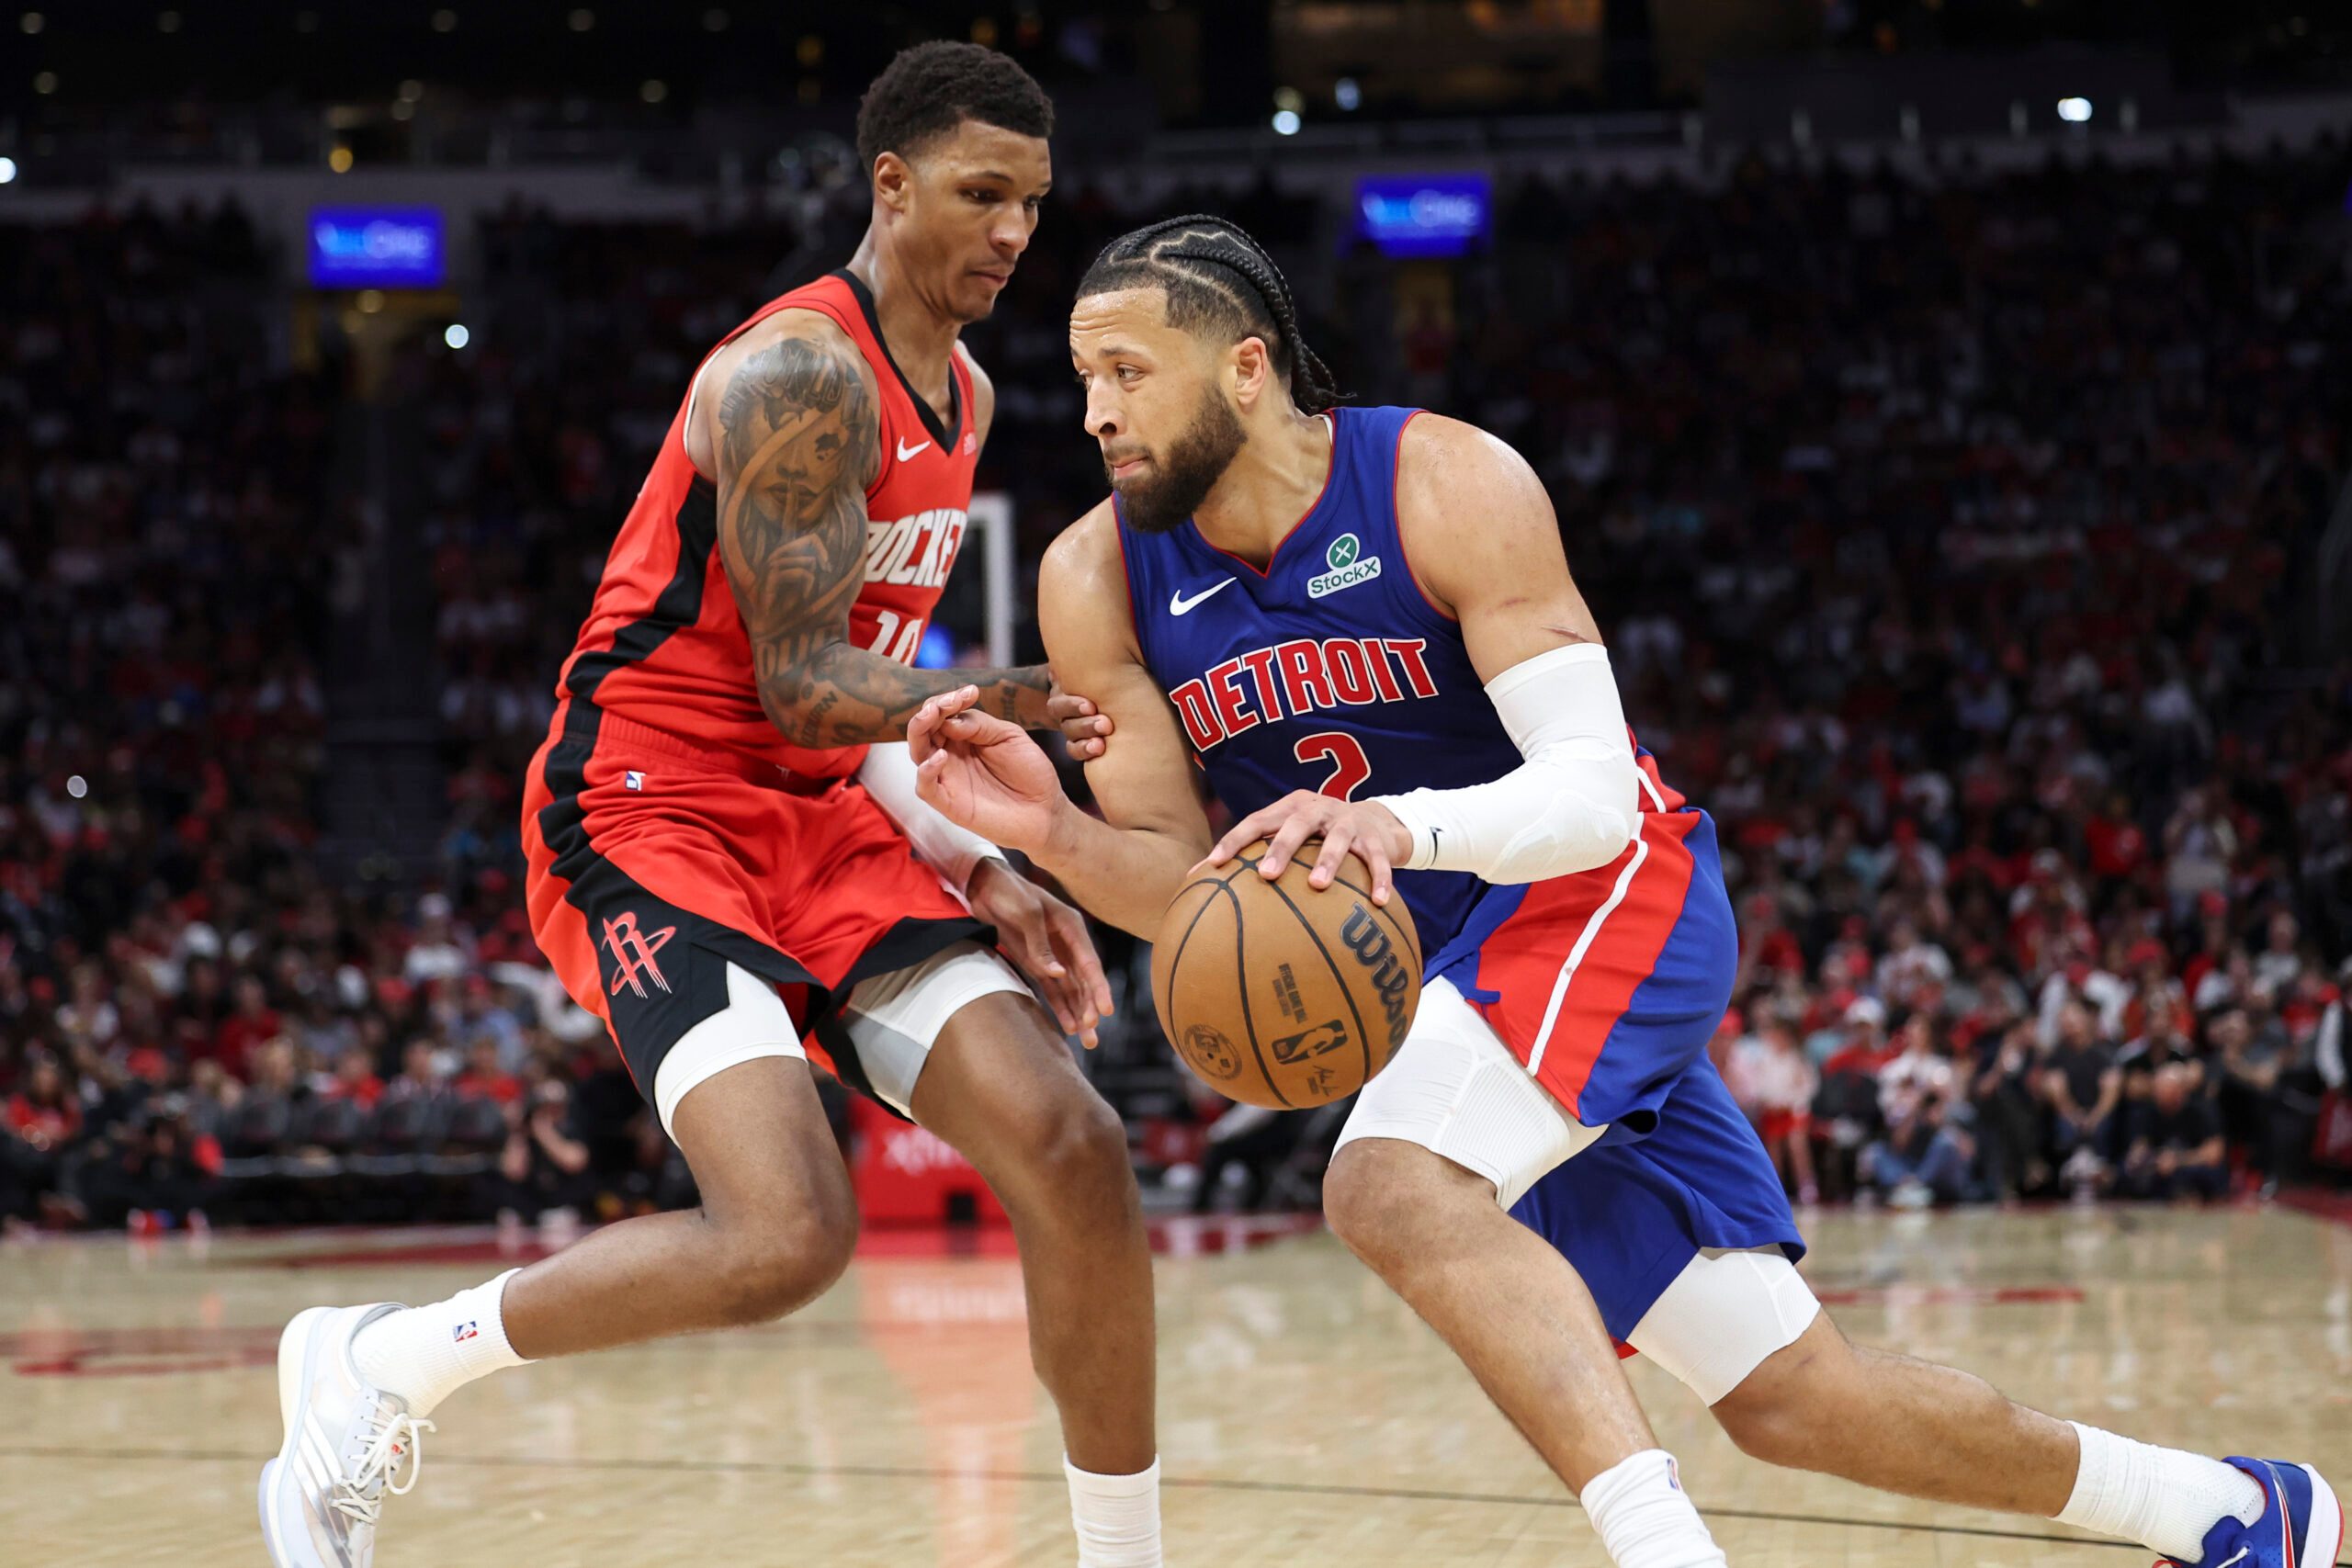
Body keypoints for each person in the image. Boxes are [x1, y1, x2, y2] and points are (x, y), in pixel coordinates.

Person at [906, 213, 2340, 1568]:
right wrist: (1050, 836)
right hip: (1446, 996)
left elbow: (1591, 793)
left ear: (1244, 366)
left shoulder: (1443, 480)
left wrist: (1390, 828)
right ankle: (2241, 1513)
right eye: (1085, 376)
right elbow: (1188, 892)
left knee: (1390, 1182)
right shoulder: (1094, 573)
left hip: (1600, 896)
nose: (1095, 410)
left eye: (1126, 373)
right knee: (1794, 1398)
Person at [260, 45, 1163, 1568]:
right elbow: (813, 681)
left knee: (1074, 1150)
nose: (1015, 231)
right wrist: (1016, 700)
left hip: (819, 818)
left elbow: (862, 699)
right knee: (788, 1233)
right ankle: (381, 1363)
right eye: (982, 192)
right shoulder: (801, 373)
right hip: (645, 802)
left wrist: (974, 857)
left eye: (1033, 200)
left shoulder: (971, 394)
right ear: (892, 185)